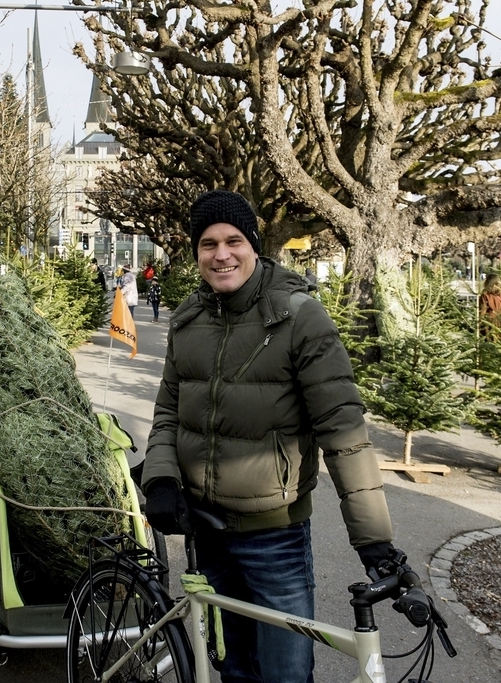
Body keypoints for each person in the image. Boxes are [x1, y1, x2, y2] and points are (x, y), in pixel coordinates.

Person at [142, 190, 400, 683]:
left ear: (255, 246)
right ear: (195, 252)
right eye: (208, 243)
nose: (221, 254)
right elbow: (168, 412)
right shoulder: (187, 320)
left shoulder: (300, 317)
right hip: (206, 528)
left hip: (273, 536)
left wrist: (374, 541)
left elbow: (343, 432)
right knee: (236, 666)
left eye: (233, 241)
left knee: (285, 673)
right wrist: (160, 480)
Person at [478, 273, 501, 339]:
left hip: (496, 324)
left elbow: (482, 311)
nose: (489, 288)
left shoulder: (486, 295)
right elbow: (482, 311)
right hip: (492, 325)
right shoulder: (486, 295)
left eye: (490, 286)